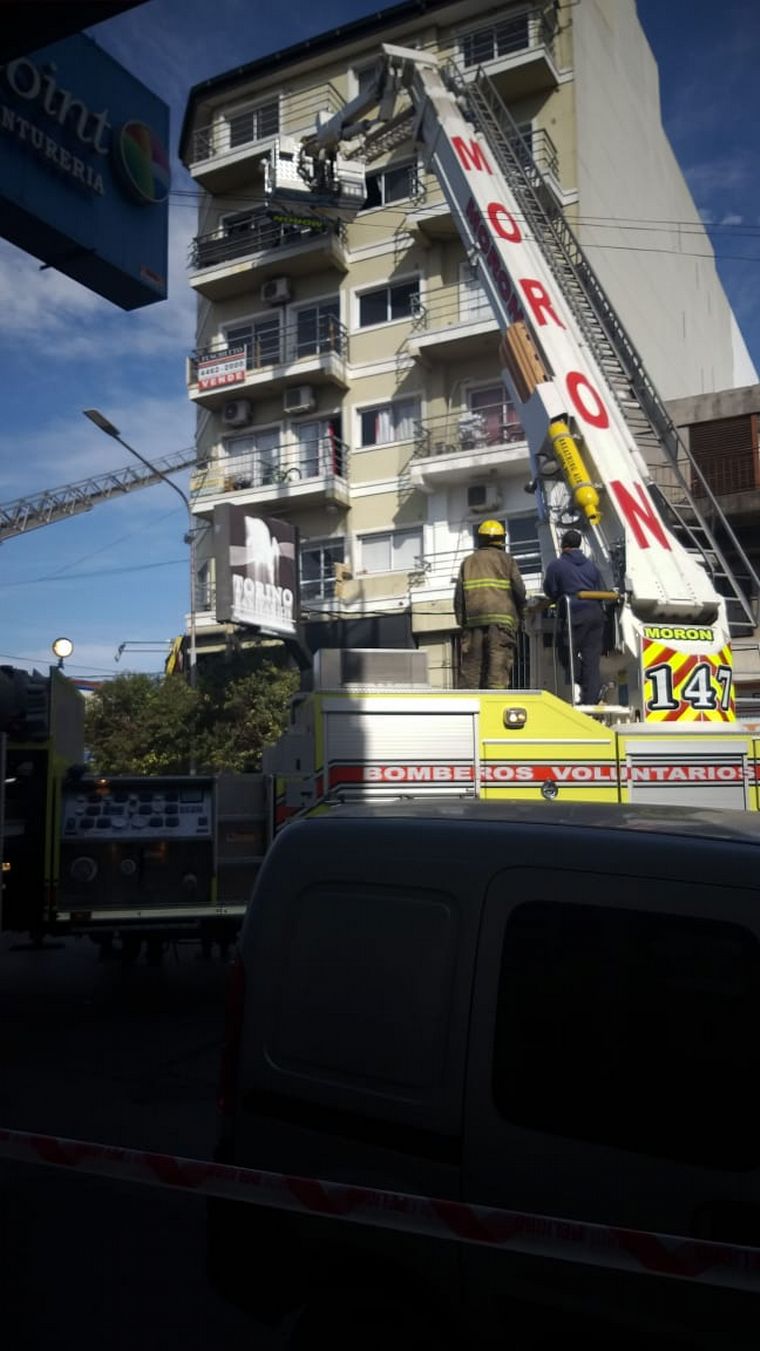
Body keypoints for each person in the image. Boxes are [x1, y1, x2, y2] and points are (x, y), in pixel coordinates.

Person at [454, 520, 526, 689]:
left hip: (474, 623)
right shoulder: (507, 560)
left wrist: (462, 621)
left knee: (471, 670)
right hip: (501, 624)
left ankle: (468, 707)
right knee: (498, 668)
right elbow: (519, 590)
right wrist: (522, 613)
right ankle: (496, 704)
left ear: (480, 539)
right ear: (502, 539)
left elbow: (459, 596)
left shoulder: (468, 562)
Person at [543, 528, 605, 705]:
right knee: (592, 659)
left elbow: (551, 590)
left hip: (573, 613)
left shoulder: (557, 565)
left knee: (565, 653)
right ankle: (591, 698)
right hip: (595, 614)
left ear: (563, 545)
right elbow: (599, 587)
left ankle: (585, 684)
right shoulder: (592, 566)